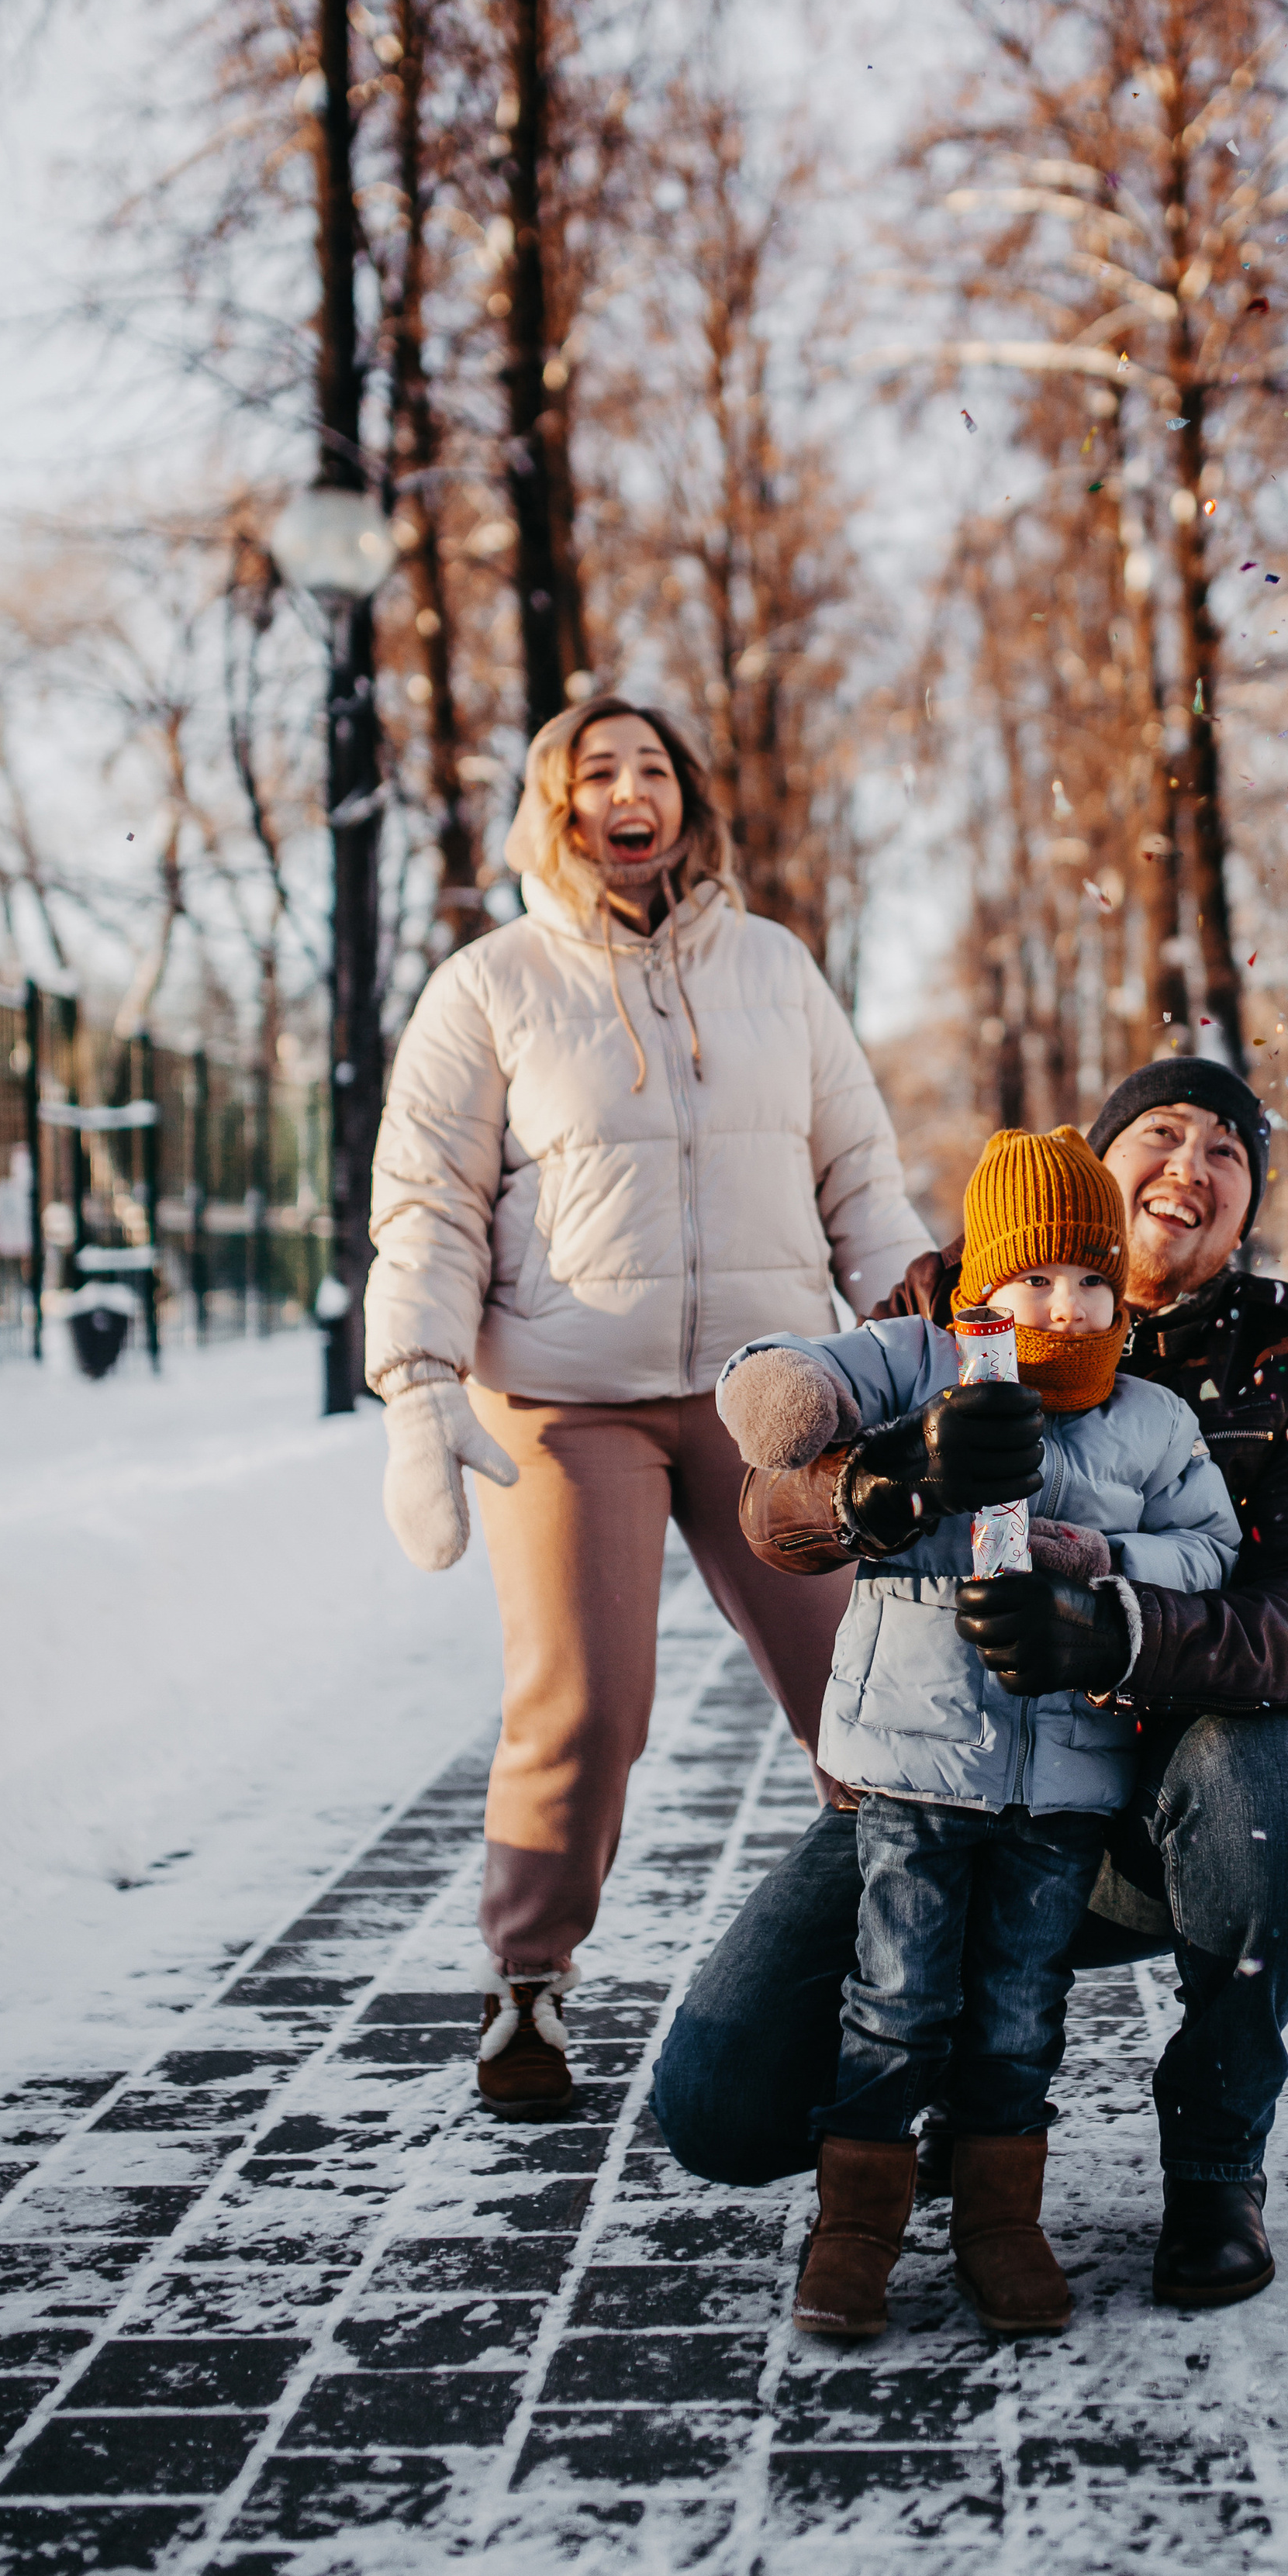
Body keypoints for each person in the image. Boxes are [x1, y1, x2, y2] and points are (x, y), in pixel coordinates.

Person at [651, 1055, 1288, 2308]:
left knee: (1273, 1779)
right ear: (1096, 1161)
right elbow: (775, 1499)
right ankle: (906, 2113)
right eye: (1162, 1132)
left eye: (1227, 1150)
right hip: (939, 1772)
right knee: (719, 2109)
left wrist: (1117, 1628)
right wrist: (871, 1490)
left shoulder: (1276, 1351)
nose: (1191, 1166)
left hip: (1145, 1798)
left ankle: (1214, 2164)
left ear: (1247, 1204)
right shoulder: (952, 1306)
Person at [362, 696, 932, 2120]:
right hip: (566, 1398)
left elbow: (855, 1165)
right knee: (588, 1704)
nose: (631, 790)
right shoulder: (488, 985)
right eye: (597, 769)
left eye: (655, 768)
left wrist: (914, 1305)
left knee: (861, 1687)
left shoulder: (773, 968)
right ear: (553, 805)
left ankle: (911, 1963)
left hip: (771, 1390)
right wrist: (418, 1380)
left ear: (687, 800)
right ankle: (528, 1990)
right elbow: (427, 1202)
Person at [715, 1125, 1238, 2341]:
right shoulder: (924, 1361)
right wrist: (875, 1455)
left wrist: (1108, 1563)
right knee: (894, 1998)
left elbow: (1211, 1551)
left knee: (1016, 2011)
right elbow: (785, 1377)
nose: (1066, 1305)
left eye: (1092, 1280)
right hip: (914, 1771)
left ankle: (1002, 2221)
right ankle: (856, 2229)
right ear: (981, 1282)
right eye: (1035, 1278)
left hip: (1063, 1787)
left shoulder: (1148, 1420)